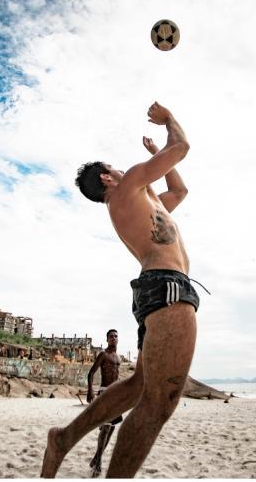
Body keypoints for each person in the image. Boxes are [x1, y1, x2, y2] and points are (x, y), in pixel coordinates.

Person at [41, 102, 199, 478]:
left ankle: (63, 438)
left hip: (156, 289)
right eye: (113, 166)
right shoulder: (128, 187)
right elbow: (181, 147)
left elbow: (180, 189)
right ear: (109, 179)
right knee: (159, 404)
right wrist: (169, 121)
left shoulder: (142, 199)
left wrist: (157, 157)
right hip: (167, 288)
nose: (120, 168)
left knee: (139, 385)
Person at [86, 329, 123, 478]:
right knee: (106, 429)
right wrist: (90, 390)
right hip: (104, 393)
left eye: (115, 336)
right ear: (107, 339)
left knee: (112, 428)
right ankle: (98, 462)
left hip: (115, 394)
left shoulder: (118, 358)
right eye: (111, 336)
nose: (113, 338)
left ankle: (95, 458)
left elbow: (117, 377)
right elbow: (91, 373)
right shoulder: (104, 355)